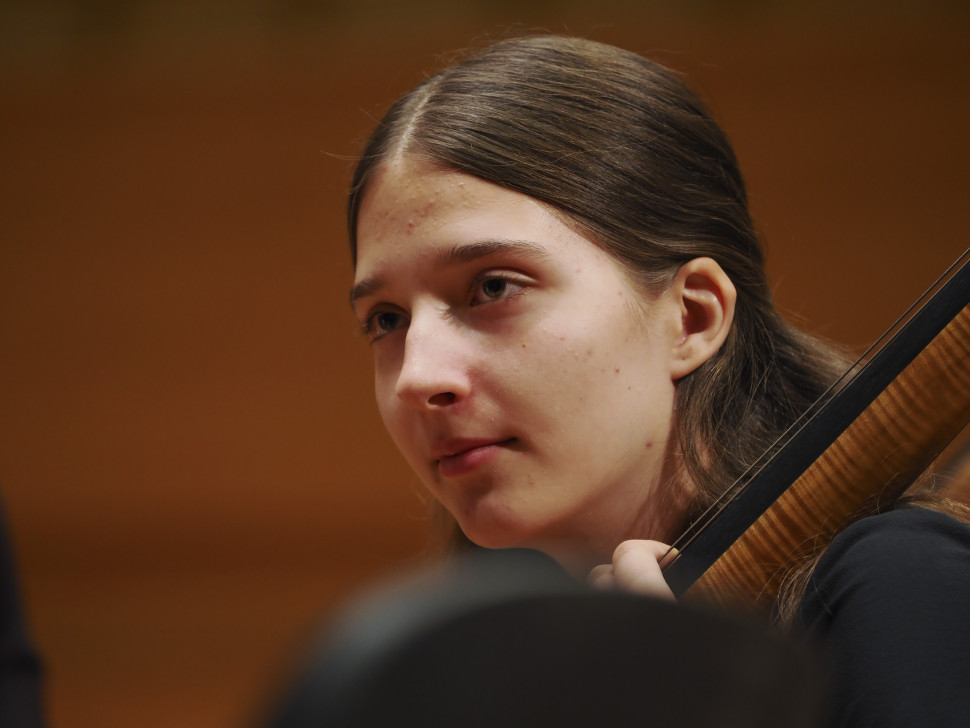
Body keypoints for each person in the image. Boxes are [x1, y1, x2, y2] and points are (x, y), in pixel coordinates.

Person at [345, 35, 970, 726]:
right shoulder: (485, 681)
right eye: (386, 319)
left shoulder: (900, 585)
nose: (415, 374)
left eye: (493, 286)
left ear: (691, 317)